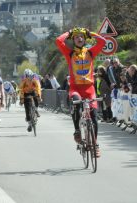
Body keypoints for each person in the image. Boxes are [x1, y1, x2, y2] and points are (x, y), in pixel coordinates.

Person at [56, 26, 106, 157]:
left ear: (85, 39)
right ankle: (77, 131)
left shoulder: (91, 52)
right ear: (73, 40)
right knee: (76, 102)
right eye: (76, 37)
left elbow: (102, 42)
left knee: (94, 117)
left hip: (89, 89)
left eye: (82, 37)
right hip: (75, 88)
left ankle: (95, 144)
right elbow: (58, 41)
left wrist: (91, 33)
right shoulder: (70, 53)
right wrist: (69, 33)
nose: (79, 38)